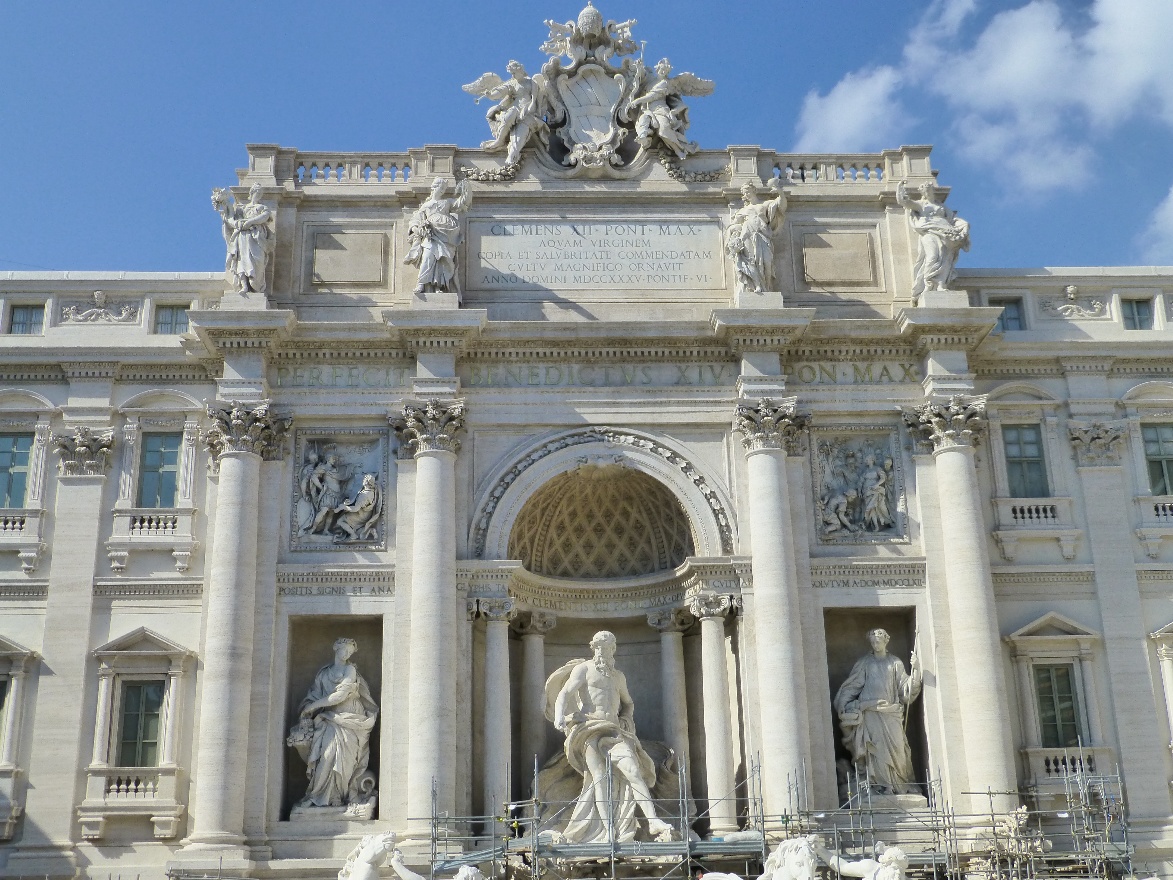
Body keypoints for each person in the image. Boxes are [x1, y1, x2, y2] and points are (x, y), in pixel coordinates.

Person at [546, 631, 675, 842]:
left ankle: (653, 821)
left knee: (633, 770)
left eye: (607, 647)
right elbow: (565, 693)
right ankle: (610, 831)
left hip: (615, 730)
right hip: (589, 728)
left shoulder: (618, 676)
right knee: (599, 779)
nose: (602, 651)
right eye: (598, 647)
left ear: (613, 650)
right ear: (593, 648)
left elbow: (629, 703)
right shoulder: (584, 669)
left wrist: (626, 716)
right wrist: (559, 716)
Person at [288, 638, 379, 809]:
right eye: (345, 650)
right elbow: (314, 695)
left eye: (350, 652)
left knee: (343, 760)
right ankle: (317, 795)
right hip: (329, 719)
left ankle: (339, 796)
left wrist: (314, 706)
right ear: (336, 648)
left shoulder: (350, 670)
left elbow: (338, 696)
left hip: (351, 721)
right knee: (327, 755)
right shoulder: (323, 674)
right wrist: (308, 708)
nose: (347, 654)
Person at [833, 629, 922, 794]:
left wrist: (915, 671)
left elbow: (905, 690)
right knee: (875, 750)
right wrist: (844, 703)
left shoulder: (895, 663)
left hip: (891, 713)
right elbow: (853, 685)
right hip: (871, 712)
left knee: (899, 750)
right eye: (873, 642)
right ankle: (880, 786)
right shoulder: (865, 663)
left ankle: (899, 785)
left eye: (878, 641)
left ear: (886, 641)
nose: (875, 644)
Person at [895, 180, 969, 302]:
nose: (928, 191)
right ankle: (929, 284)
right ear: (923, 192)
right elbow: (904, 201)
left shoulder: (941, 206)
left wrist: (963, 225)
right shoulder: (921, 205)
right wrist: (899, 187)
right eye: (926, 190)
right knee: (933, 256)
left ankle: (940, 285)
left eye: (930, 189)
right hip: (929, 232)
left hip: (945, 233)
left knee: (945, 259)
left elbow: (952, 219)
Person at [627, 58, 712, 160]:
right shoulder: (651, 81)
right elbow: (639, 79)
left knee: (663, 131)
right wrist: (639, 67)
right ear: (657, 69)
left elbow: (652, 96)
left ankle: (679, 149)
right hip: (647, 110)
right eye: (661, 69)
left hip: (660, 110)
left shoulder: (665, 83)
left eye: (665, 71)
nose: (663, 72)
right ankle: (643, 138)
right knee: (643, 121)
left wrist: (638, 101)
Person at [403, 177, 473, 296]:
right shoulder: (426, 205)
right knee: (427, 257)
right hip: (431, 235)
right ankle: (421, 283)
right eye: (440, 188)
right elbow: (415, 221)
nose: (441, 191)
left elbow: (462, 203)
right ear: (434, 188)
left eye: (443, 189)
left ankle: (439, 285)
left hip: (448, 235)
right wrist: (418, 229)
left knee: (444, 260)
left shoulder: (447, 202)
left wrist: (467, 189)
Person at [476, 61, 548, 166]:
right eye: (512, 73)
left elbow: (534, 101)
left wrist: (527, 109)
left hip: (527, 112)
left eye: (514, 73)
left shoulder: (531, 82)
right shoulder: (512, 83)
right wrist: (491, 94)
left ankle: (512, 156)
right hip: (514, 110)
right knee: (511, 112)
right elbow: (501, 91)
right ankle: (500, 140)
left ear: (520, 70)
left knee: (518, 137)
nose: (513, 75)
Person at [725, 180, 786, 295]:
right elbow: (733, 226)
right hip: (748, 238)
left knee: (767, 262)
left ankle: (767, 287)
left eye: (748, 191)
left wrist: (780, 193)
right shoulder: (742, 211)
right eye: (744, 192)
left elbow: (780, 206)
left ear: (754, 190)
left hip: (763, 237)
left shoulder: (764, 205)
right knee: (752, 262)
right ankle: (757, 286)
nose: (746, 194)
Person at [212, 182, 275, 293]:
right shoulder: (242, 209)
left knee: (257, 261)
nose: (258, 194)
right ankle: (244, 285)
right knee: (242, 259)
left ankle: (255, 286)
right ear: (251, 193)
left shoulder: (262, 208)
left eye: (260, 193)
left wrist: (250, 222)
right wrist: (225, 204)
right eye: (256, 192)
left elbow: (264, 217)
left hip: (257, 238)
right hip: (243, 237)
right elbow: (231, 218)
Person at [814, 840, 910, 880]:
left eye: (900, 869)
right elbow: (843, 867)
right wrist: (820, 850)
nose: (898, 872)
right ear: (886, 862)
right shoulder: (871, 868)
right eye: (896, 867)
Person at [332, 473, 382, 542]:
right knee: (349, 521)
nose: (363, 480)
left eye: (364, 479)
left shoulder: (364, 495)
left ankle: (353, 535)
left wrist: (344, 507)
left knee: (340, 521)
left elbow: (355, 508)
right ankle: (370, 531)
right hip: (366, 513)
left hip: (361, 515)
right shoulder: (371, 491)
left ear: (367, 482)